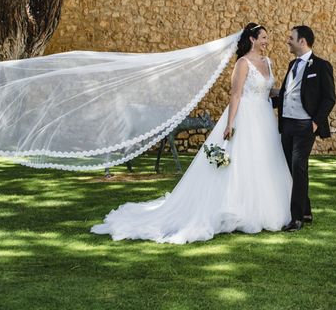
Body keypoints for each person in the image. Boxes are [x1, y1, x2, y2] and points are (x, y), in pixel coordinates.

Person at [91, 23, 292, 244]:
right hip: (246, 117)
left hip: (264, 118)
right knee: (239, 163)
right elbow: (235, 95)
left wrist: (289, 93)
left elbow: (268, 91)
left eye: (266, 38)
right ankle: (236, 209)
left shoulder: (268, 63)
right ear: (252, 39)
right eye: (263, 37)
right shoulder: (243, 64)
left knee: (264, 161)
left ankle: (261, 206)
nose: (266, 41)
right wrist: (230, 123)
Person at [273, 25, 336, 232]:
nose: (288, 41)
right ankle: (307, 209)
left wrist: (315, 122)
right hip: (287, 123)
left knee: (299, 166)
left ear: (302, 41)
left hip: (305, 125)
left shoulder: (321, 66)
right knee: (291, 168)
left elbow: (329, 98)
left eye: (291, 38)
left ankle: (297, 217)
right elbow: (286, 93)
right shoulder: (292, 64)